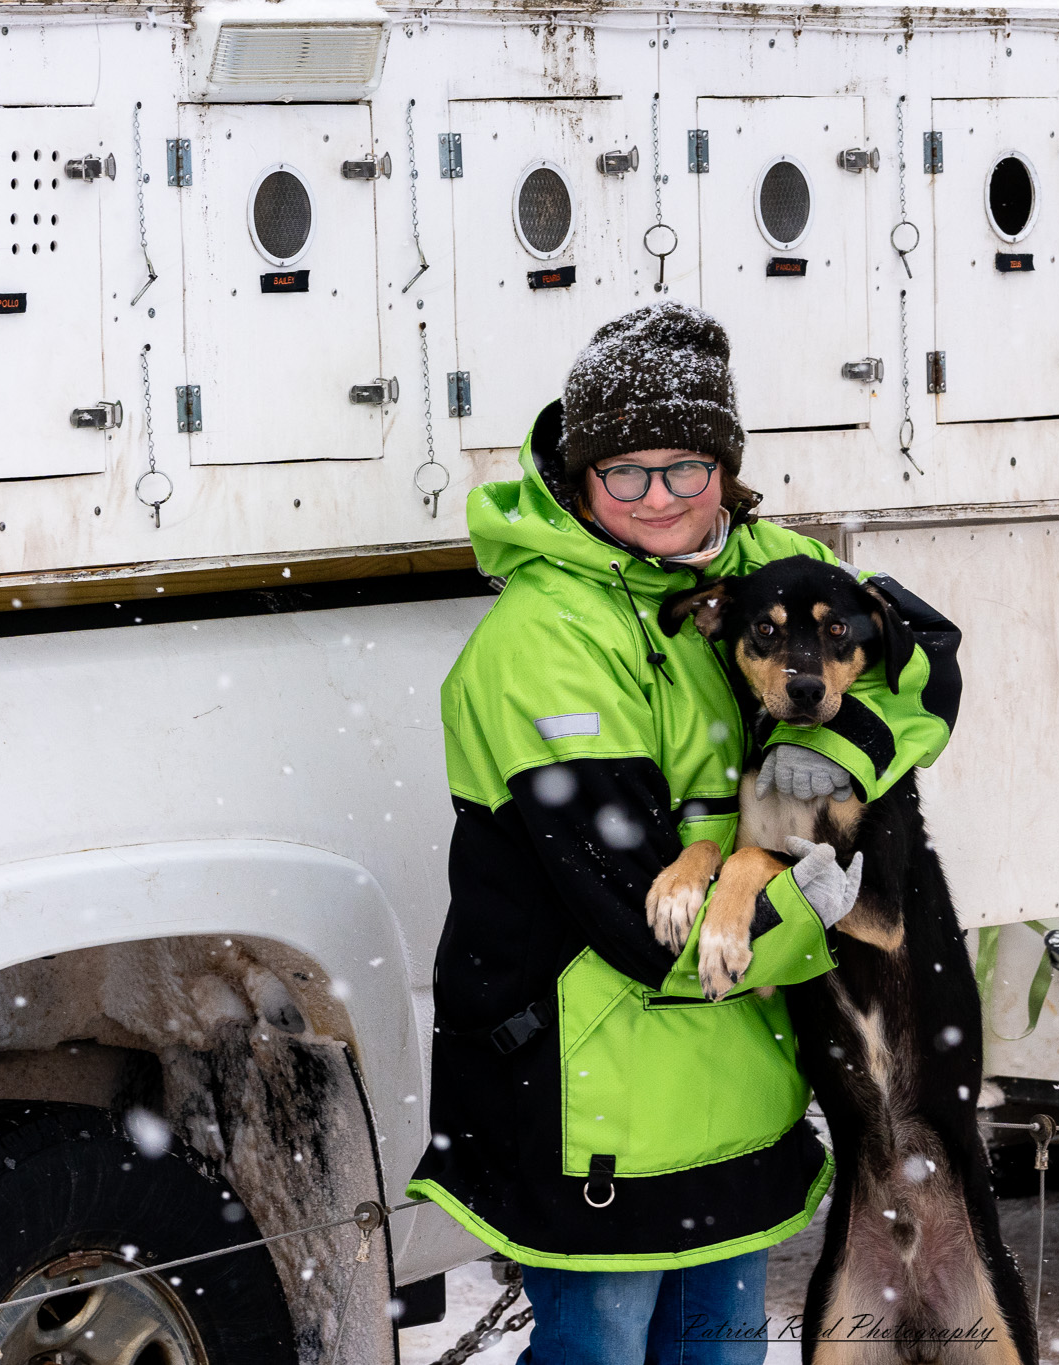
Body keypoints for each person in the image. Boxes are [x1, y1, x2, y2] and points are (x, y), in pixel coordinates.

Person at [406, 302, 961, 1365]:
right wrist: (817, 898)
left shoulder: (775, 573)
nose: (658, 498)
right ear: (578, 478)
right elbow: (635, 911)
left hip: (731, 1086)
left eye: (685, 467)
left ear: (727, 466)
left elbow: (924, 674)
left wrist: (808, 783)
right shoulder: (544, 639)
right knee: (602, 1352)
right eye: (624, 472)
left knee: (718, 1354)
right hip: (588, 1091)